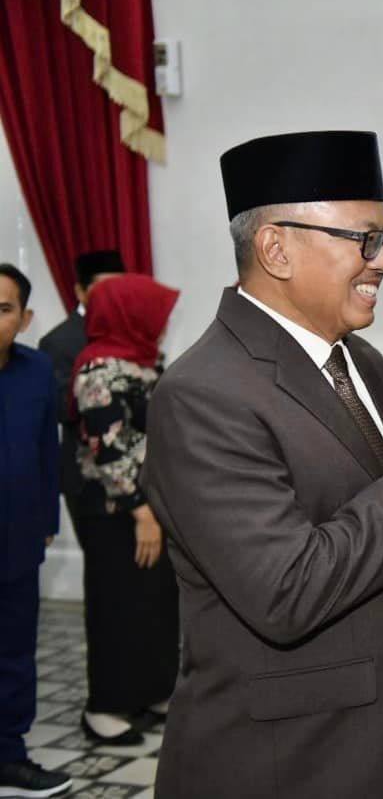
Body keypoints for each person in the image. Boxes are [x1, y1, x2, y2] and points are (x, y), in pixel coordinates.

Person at [140, 130, 383, 798]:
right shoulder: (202, 394)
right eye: (362, 239)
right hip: (284, 761)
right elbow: (285, 590)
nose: (381, 261)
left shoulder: (361, 359)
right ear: (275, 248)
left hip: (379, 738)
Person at [70, 274, 181, 746]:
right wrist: (142, 511)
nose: (162, 323)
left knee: (154, 603)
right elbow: (110, 448)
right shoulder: (98, 370)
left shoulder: (144, 362)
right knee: (117, 606)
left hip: (153, 505)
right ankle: (106, 707)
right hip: (117, 510)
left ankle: (152, 692)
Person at [0, 264, 73, 797]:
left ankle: (9, 756)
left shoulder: (36, 370)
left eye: (3, 309)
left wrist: (47, 521)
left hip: (18, 539)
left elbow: (49, 450)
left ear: (24, 320)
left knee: (14, 654)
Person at [38, 249, 126, 539]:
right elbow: (63, 408)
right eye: (104, 287)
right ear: (80, 291)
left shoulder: (130, 332)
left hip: (133, 472)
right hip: (86, 476)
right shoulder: (58, 341)